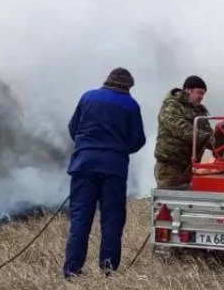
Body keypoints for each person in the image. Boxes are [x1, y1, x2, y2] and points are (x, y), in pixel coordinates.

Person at [63, 67, 146, 278]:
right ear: (128, 86)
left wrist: (87, 146)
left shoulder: (88, 97)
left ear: (107, 80)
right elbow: (138, 140)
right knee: (112, 219)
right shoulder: (130, 104)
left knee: (80, 218)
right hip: (113, 169)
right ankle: (108, 271)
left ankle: (72, 270)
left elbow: (73, 129)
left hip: (83, 165)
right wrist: (118, 149)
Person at [153, 75, 213, 189]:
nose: (201, 97)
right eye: (199, 93)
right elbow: (183, 130)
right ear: (188, 90)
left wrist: (223, 144)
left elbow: (209, 134)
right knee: (169, 202)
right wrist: (209, 139)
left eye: (203, 94)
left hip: (189, 168)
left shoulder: (199, 111)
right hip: (170, 168)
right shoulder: (171, 106)